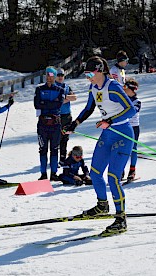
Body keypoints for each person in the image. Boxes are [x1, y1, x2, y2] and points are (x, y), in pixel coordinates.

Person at [63, 56, 136, 234]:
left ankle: (121, 219)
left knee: (113, 177)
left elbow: (130, 109)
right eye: (86, 73)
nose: (87, 76)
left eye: (89, 73)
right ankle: (102, 205)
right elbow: (89, 108)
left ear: (99, 71)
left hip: (123, 134)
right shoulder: (93, 87)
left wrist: (110, 120)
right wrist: (74, 124)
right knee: (95, 172)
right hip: (107, 134)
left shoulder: (113, 86)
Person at [34, 66, 66, 181]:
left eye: (51, 75)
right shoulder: (39, 89)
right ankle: (43, 174)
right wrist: (49, 103)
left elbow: (58, 105)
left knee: (54, 149)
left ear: (55, 76)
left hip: (55, 124)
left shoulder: (60, 90)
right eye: (47, 75)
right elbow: (37, 105)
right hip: (42, 124)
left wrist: (44, 103)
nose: (49, 77)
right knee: (43, 149)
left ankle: (53, 173)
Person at [55, 68, 77, 164]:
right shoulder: (53, 86)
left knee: (65, 137)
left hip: (67, 115)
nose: (60, 77)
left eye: (62, 75)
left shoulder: (67, 87)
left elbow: (74, 97)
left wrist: (64, 98)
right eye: (58, 75)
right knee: (57, 138)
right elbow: (56, 101)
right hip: (57, 115)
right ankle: (54, 158)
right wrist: (65, 98)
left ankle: (62, 158)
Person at [122, 78, 141, 182]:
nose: (123, 89)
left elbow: (132, 112)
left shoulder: (137, 101)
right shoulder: (122, 99)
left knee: (133, 148)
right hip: (123, 126)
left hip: (133, 127)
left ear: (132, 89)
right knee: (122, 148)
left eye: (125, 87)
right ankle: (120, 170)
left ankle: (132, 170)